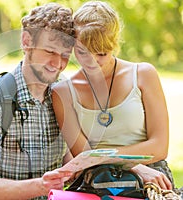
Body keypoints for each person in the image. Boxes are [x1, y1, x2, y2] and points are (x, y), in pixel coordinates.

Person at [52, 0, 179, 193]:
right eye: (82, 52)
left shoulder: (144, 75)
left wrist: (102, 156)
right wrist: (135, 166)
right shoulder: (62, 93)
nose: (92, 62)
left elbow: (160, 146)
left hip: (151, 179)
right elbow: (83, 155)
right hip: (95, 181)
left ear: (115, 43)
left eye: (102, 53)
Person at [0, 3, 76, 200]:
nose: (58, 64)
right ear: (26, 41)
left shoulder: (64, 94)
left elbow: (69, 161)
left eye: (65, 55)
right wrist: (42, 186)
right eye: (50, 51)